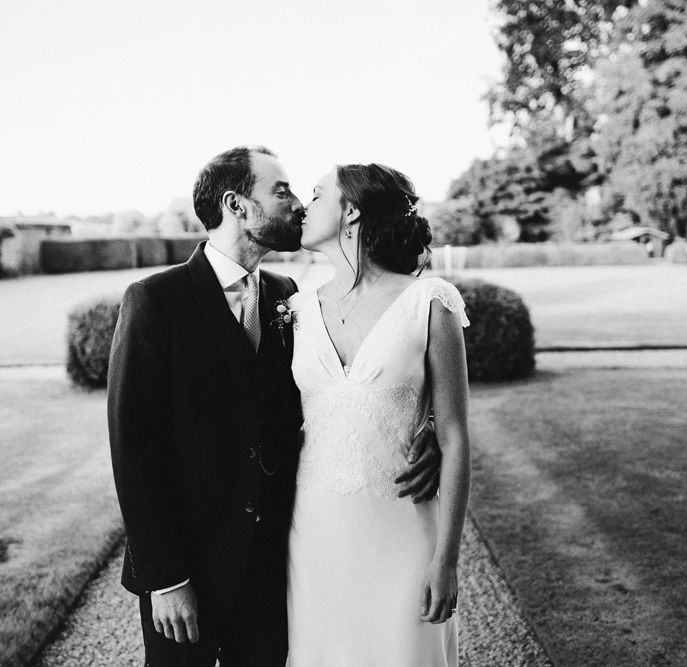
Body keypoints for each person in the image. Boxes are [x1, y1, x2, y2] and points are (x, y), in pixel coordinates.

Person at [107, 146, 441, 666]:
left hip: (276, 562)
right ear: (236, 205)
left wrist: (429, 427)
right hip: (189, 565)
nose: (297, 205)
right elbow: (135, 448)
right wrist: (166, 578)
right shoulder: (155, 299)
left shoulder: (289, 297)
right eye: (281, 191)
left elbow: (334, 398)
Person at [287, 164, 471, 665]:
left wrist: (447, 559)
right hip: (315, 533)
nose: (305, 205)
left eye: (317, 194)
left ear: (351, 211)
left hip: (403, 528)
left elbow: (455, 435)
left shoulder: (430, 301)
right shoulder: (296, 309)